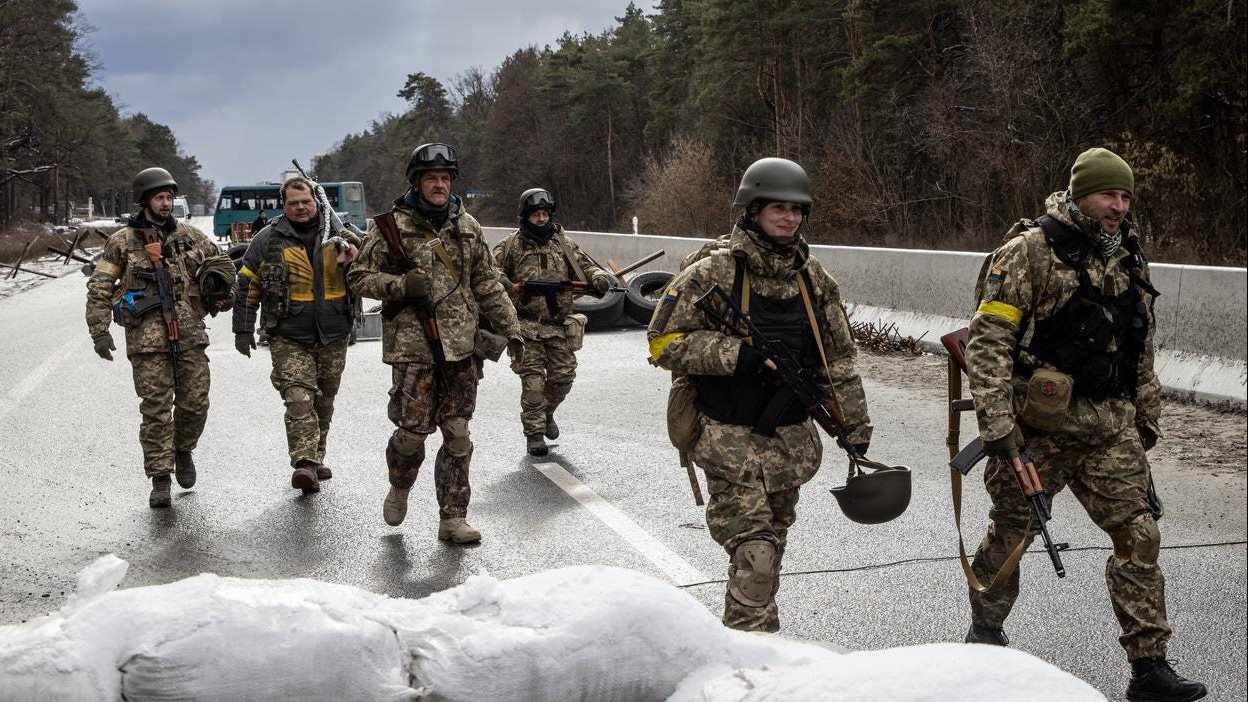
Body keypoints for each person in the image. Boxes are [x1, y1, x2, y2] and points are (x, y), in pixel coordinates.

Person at [964, 147, 1206, 702]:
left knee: (1139, 535)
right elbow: (989, 343)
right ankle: (980, 645)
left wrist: (1147, 415)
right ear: (1079, 195)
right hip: (1037, 430)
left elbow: (1139, 343)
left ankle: (1149, 668)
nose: (1117, 207)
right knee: (1010, 536)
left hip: (1110, 427)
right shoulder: (1029, 252)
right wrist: (998, 425)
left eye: (1124, 196)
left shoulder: (1129, 256)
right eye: (1107, 195)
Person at [646, 157, 872, 632]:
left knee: (771, 551)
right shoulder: (713, 273)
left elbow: (838, 361)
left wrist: (854, 424)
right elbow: (663, 342)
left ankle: (750, 643)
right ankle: (753, 657)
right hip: (728, 438)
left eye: (797, 210)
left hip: (788, 442)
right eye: (777, 208)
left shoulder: (814, 279)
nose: (789, 218)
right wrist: (735, 355)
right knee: (756, 557)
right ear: (752, 209)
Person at [347, 142, 521, 544]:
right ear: (417, 182)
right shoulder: (392, 226)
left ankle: (453, 518)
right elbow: (357, 277)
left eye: (445, 178)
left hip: (461, 347)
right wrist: (399, 285)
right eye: (432, 179)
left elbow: (487, 282)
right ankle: (400, 485)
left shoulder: (467, 226)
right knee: (411, 434)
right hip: (413, 349)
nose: (440, 185)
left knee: (458, 433)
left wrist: (512, 330)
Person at [85, 167, 234, 508]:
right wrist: (99, 330)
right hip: (147, 341)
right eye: (159, 198)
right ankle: (160, 478)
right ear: (145, 201)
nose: (165, 203)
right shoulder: (122, 242)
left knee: (196, 404)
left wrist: (223, 295)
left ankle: (182, 449)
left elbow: (223, 270)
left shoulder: (191, 236)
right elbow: (100, 286)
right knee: (155, 411)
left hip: (190, 336)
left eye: (169, 197)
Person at [231, 176, 359, 494]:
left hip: (334, 332)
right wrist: (243, 329)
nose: (300, 208)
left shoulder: (340, 234)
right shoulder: (268, 239)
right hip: (288, 334)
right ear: (284, 206)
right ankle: (304, 464)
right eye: (293, 203)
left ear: (316, 202)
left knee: (324, 401)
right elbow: (248, 283)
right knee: (299, 399)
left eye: (306, 202)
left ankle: (316, 456)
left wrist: (355, 252)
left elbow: (372, 262)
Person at [492, 188, 614, 456]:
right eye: (536, 213)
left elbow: (585, 265)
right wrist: (509, 285)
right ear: (526, 215)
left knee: (563, 377)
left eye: (545, 213)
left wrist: (598, 277)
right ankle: (534, 434)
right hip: (525, 327)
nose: (541, 218)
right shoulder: (510, 245)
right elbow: (490, 271)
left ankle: (547, 414)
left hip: (558, 326)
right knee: (533, 382)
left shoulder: (564, 244)